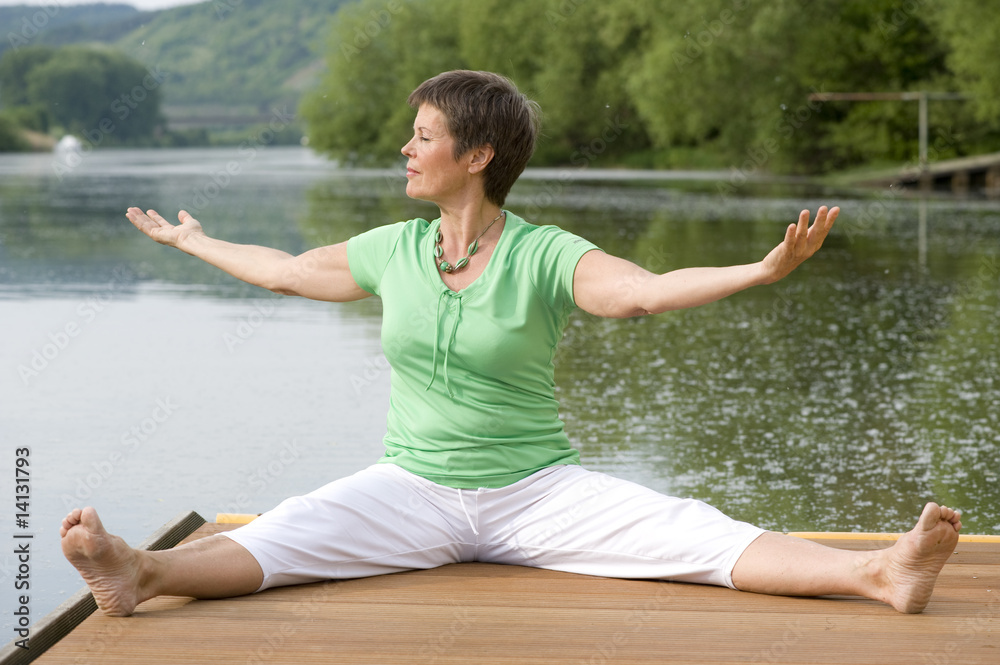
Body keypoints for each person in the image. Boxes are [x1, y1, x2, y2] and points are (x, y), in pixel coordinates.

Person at [62, 70, 961, 617]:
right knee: (293, 529)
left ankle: (880, 573)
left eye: (423, 136)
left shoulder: (544, 252)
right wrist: (196, 243)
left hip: (537, 491)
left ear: (478, 154)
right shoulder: (394, 249)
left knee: (690, 531)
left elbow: (639, 293)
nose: (405, 149)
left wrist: (758, 271)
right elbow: (290, 271)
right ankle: (139, 571)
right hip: (410, 488)